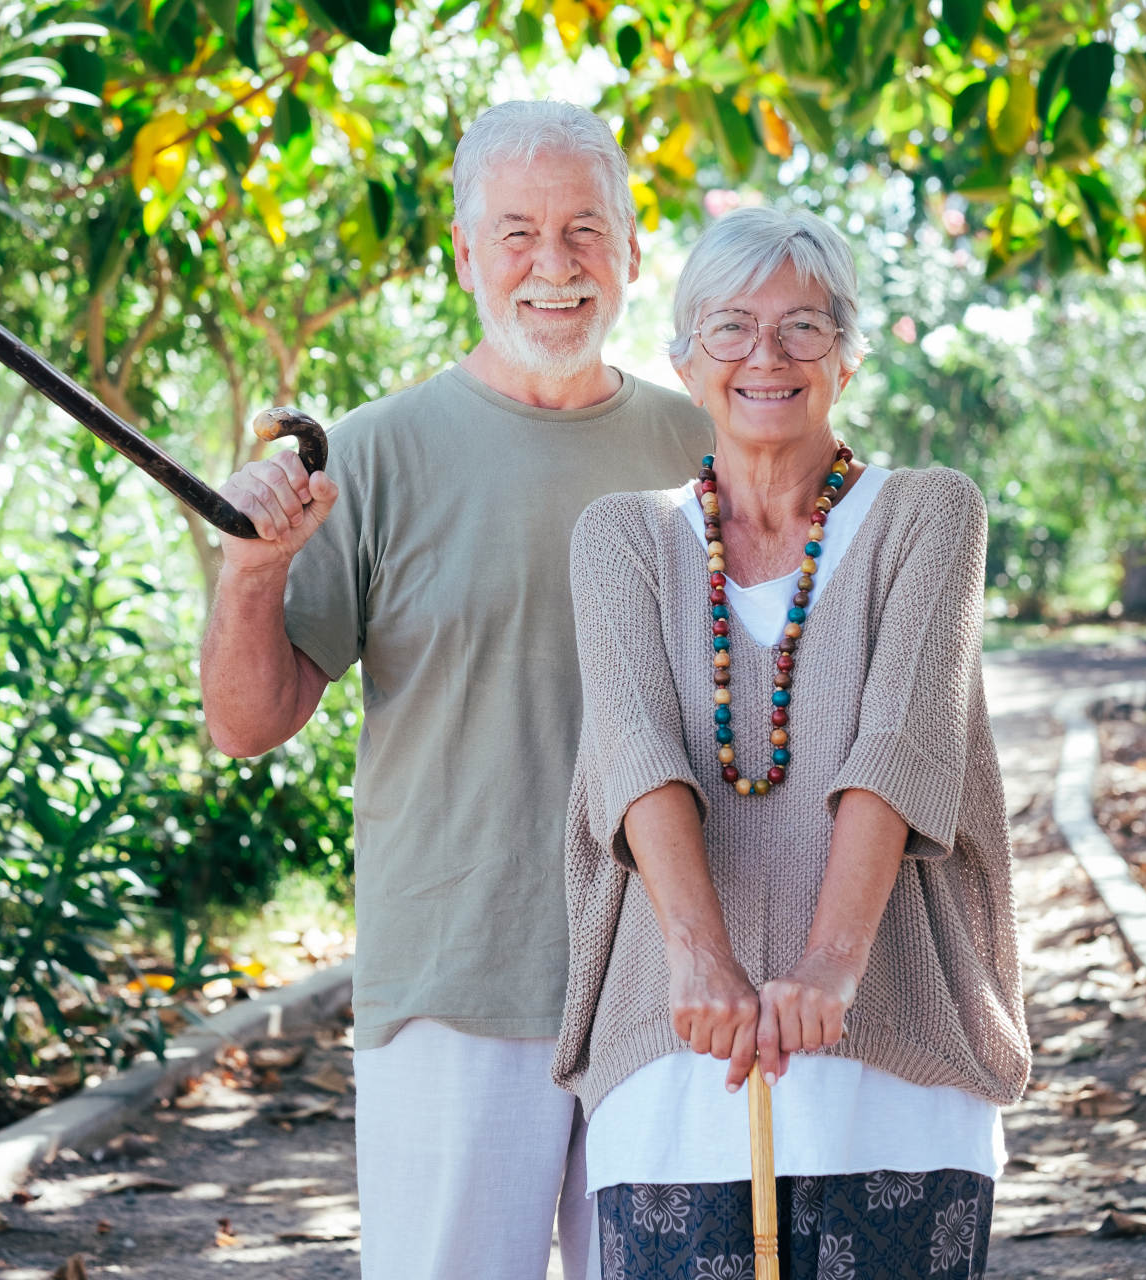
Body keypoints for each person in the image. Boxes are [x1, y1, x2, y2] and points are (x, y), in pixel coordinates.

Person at [198, 101, 713, 1279]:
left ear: (634, 249)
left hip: (676, 982)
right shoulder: (374, 454)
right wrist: (251, 573)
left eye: (586, 230)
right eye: (519, 231)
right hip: (456, 974)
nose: (554, 265)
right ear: (465, 251)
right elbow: (245, 722)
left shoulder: (706, 449)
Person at [552, 207, 1031, 1277]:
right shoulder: (621, 536)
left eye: (803, 327)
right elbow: (636, 750)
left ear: (847, 357)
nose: (765, 355)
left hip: (895, 1062)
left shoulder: (929, 514)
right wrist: (702, 959)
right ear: (684, 359)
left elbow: (902, 740)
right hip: (679, 1067)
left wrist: (829, 965)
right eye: (729, 327)